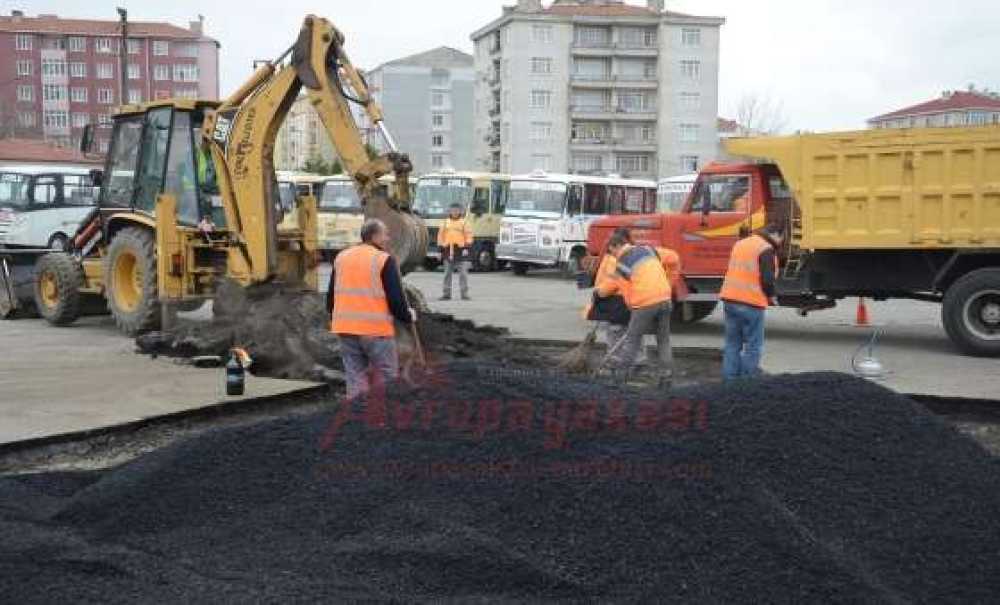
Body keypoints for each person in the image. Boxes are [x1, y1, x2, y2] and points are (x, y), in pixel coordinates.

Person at [327, 218, 417, 399]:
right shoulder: (383, 260)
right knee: (386, 377)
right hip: (375, 331)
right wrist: (407, 316)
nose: (388, 239)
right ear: (374, 236)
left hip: (345, 328)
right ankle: (385, 416)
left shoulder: (342, 257)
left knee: (355, 378)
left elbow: (331, 298)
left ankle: (357, 417)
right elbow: (396, 299)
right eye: (385, 234)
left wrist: (336, 316)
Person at [596, 232, 676, 388]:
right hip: (665, 299)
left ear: (617, 246)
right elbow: (673, 259)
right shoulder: (648, 249)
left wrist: (599, 293)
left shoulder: (622, 264)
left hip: (645, 303)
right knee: (664, 340)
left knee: (631, 340)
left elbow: (626, 292)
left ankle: (619, 378)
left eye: (612, 252)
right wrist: (669, 283)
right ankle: (666, 378)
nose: (613, 256)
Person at [719, 224, 784, 380]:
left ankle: (729, 382)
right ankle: (747, 384)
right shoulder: (765, 249)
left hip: (730, 299)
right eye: (782, 238)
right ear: (775, 234)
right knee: (753, 346)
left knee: (732, 344)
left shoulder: (740, 243)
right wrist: (772, 296)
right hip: (751, 303)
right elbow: (767, 280)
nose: (781, 242)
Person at [438, 202, 473, 301]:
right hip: (448, 250)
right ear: (450, 211)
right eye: (453, 210)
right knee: (447, 274)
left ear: (460, 211)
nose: (455, 212)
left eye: (457, 210)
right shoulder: (445, 222)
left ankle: (464, 294)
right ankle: (446, 294)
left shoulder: (464, 223)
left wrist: (466, 248)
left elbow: (469, 236)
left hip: (461, 251)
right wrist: (440, 251)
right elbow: (440, 237)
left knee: (463, 274)